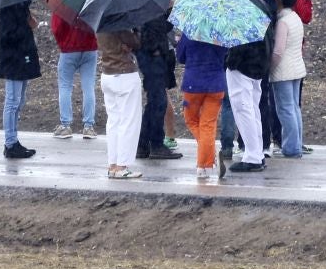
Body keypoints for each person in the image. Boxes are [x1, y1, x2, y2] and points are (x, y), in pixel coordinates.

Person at [221, 0, 278, 173]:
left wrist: (230, 61)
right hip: (259, 67)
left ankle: (253, 157)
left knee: (243, 109)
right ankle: (257, 153)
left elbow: (239, 42)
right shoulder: (262, 5)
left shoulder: (241, 9)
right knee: (253, 109)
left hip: (243, 66)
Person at [177, 28, 230, 181]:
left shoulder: (190, 32)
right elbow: (225, 55)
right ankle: (205, 163)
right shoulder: (221, 33)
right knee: (208, 124)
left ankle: (207, 159)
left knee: (191, 119)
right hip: (216, 84)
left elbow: (180, 57)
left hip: (193, 83)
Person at [0, 0, 41, 159]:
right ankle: (10, 143)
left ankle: (13, 141)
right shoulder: (7, 7)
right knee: (12, 101)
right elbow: (7, 36)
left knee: (19, 101)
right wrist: (26, 25)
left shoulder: (20, 6)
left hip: (20, 58)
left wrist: (28, 20)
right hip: (12, 60)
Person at [98, 23, 143, 178]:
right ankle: (122, 166)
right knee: (129, 121)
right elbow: (136, 43)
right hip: (124, 74)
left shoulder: (99, 23)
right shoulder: (121, 23)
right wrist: (136, 30)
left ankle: (113, 164)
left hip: (107, 73)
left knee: (113, 122)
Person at [135, 11, 181, 162]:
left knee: (154, 102)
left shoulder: (147, 9)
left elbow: (161, 28)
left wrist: (168, 16)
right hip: (153, 59)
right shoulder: (150, 10)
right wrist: (155, 49)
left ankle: (143, 144)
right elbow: (154, 32)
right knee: (158, 102)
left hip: (151, 58)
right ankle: (156, 144)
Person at [269, 0, 308, 158]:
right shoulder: (296, 18)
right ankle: (296, 143)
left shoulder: (283, 22)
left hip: (283, 71)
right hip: (297, 67)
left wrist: (270, 67)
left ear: (280, 0)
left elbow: (278, 51)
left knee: (285, 109)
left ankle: (292, 147)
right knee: (294, 107)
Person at [51, 8, 99, 139]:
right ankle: (88, 126)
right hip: (90, 48)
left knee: (65, 87)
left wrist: (63, 43)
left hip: (69, 49)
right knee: (88, 87)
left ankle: (65, 125)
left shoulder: (63, 3)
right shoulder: (93, 0)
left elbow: (56, 27)